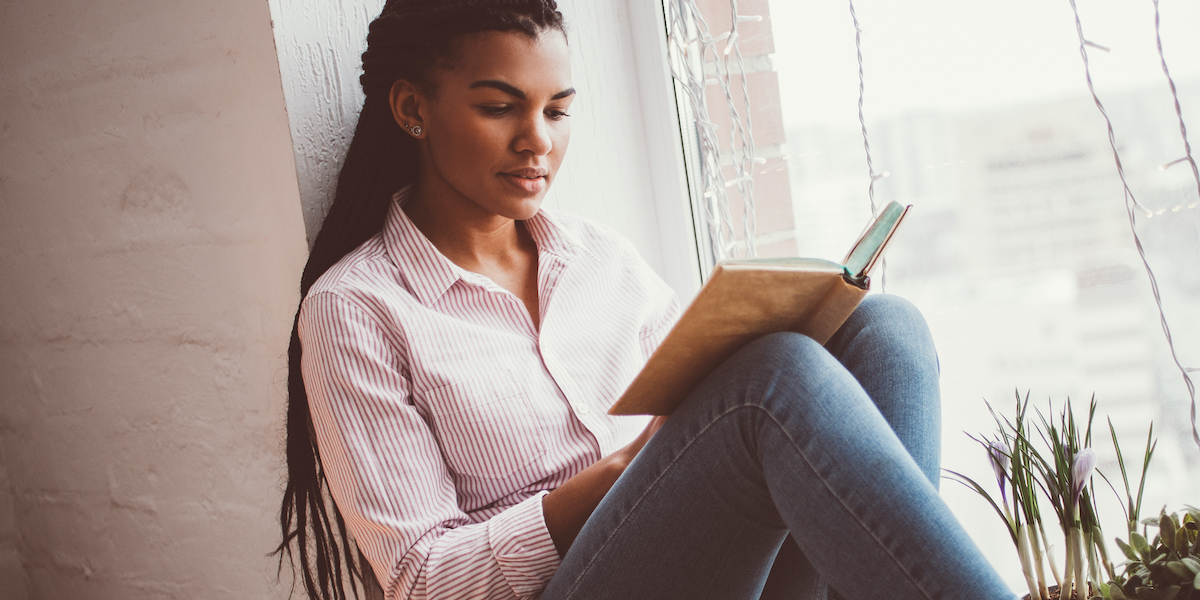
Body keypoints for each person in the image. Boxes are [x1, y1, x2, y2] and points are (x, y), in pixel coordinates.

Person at [276, 1, 1017, 599]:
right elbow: (422, 581)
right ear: (413, 108)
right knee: (771, 383)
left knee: (883, 326)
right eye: (501, 108)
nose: (537, 141)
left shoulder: (600, 258)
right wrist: (623, 469)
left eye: (557, 111)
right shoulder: (357, 309)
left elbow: (706, 408)